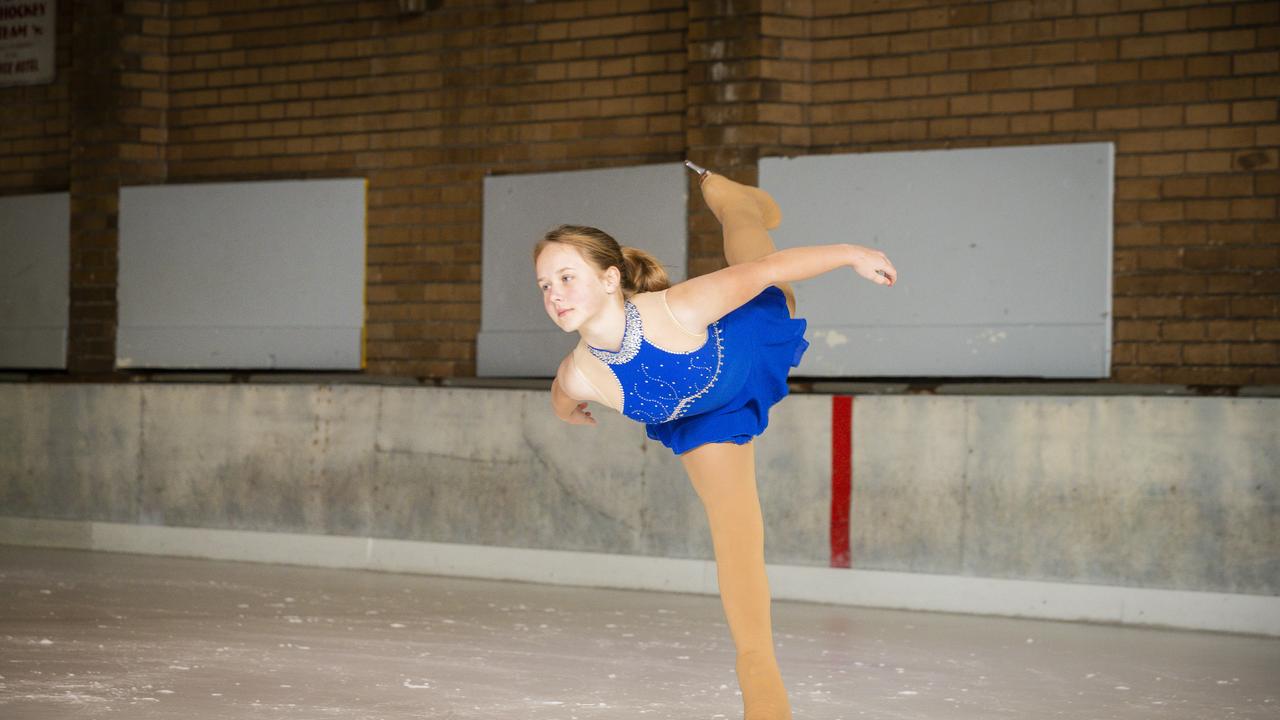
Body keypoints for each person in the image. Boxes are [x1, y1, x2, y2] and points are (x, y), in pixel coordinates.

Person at [532, 163, 897, 720]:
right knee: (736, 533)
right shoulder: (581, 373)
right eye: (544, 285)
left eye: (566, 277)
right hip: (706, 418)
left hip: (741, 343)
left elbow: (774, 265)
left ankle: (733, 199)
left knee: (758, 264)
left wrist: (852, 253)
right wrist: (572, 413)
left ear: (610, 279)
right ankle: (762, 681)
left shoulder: (676, 309)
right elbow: (560, 394)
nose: (554, 294)